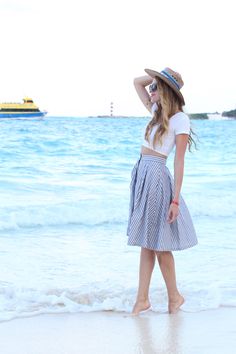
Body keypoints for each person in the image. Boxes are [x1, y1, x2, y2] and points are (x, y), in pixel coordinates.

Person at [126, 67, 198, 315]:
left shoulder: (180, 120)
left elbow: (179, 161)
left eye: (155, 87)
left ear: (166, 91)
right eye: (153, 86)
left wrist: (175, 200)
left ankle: (174, 296)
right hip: (142, 174)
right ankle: (143, 299)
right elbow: (137, 82)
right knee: (147, 242)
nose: (150, 90)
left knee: (158, 243)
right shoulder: (157, 111)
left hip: (157, 176)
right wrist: (158, 78)